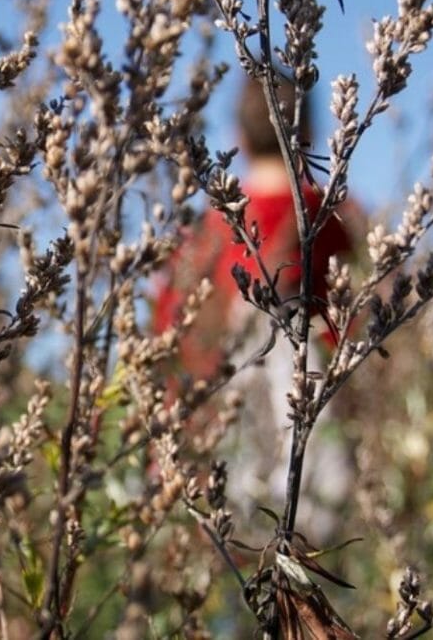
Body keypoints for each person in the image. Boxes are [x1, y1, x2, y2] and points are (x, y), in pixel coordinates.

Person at [154, 75, 358, 536]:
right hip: (314, 448)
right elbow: (361, 318)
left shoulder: (208, 232)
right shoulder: (331, 215)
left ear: (238, 139)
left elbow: (170, 338)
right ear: (310, 136)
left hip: (225, 442)